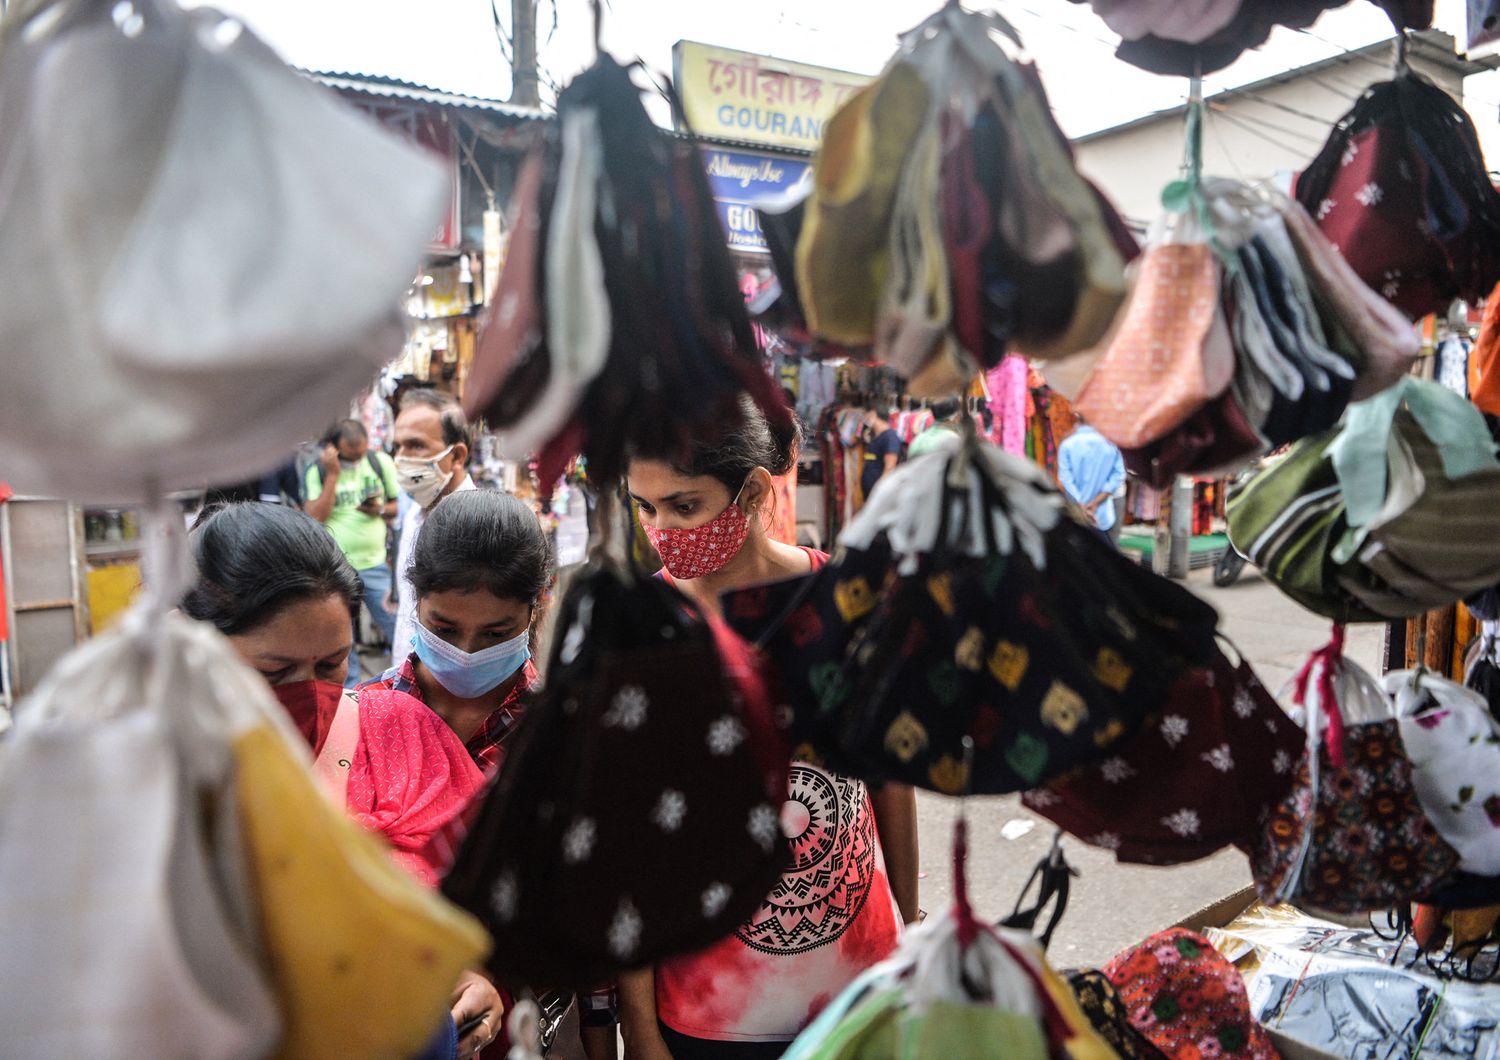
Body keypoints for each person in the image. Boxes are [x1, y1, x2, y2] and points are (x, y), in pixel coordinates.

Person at [621, 400, 919, 1059]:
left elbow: (889, 778)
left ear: (752, 490)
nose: (660, 530)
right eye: (646, 508)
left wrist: (911, 920)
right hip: (710, 1016)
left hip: (859, 992)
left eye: (683, 506)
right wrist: (639, 1027)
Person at [180, 502, 502, 1058]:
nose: (309, 693)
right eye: (275, 673)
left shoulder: (401, 731)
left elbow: (477, 904)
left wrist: (473, 982)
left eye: (332, 664)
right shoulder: (150, 785)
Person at [366, 490, 620, 1060]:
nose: (466, 652)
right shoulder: (360, 721)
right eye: (444, 627)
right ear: (416, 602)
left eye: (495, 632)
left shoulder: (570, 738)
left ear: (538, 608)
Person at [303, 418, 399, 684]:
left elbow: (397, 506)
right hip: (335, 567)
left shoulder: (380, 463)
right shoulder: (318, 471)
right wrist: (333, 474)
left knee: (396, 624)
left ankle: (407, 676)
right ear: (334, 449)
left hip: (375, 564)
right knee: (342, 635)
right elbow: (315, 517)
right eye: (350, 456)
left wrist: (377, 509)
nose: (357, 461)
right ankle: (350, 688)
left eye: (361, 454)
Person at [390, 390, 477, 665]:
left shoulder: (478, 528)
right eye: (397, 447)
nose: (401, 459)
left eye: (415, 445)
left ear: (457, 456)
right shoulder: (415, 513)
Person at [1058, 413, 1127, 543]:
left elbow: (1065, 480)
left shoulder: (1068, 441)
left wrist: (1081, 504)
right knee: (1109, 550)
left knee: (1081, 550)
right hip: (1110, 501)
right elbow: (1119, 475)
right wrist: (1094, 502)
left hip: (1077, 507)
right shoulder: (1112, 440)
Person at [860, 404, 903, 502]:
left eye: (867, 415)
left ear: (873, 414)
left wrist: (880, 492)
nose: (865, 418)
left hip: (879, 497)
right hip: (870, 494)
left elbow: (890, 467)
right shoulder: (875, 436)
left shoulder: (890, 437)